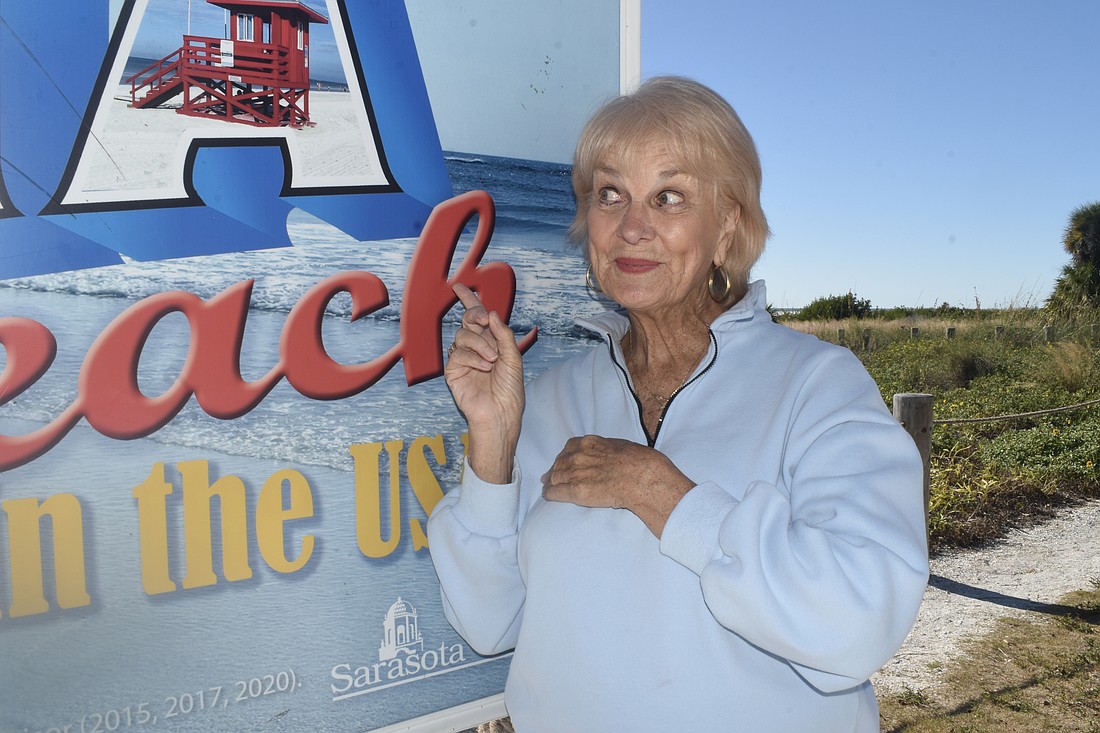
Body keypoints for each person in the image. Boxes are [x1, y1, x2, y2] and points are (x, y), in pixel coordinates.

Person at [428, 76, 928, 732]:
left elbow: (861, 619)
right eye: (611, 194)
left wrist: (663, 494)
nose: (632, 226)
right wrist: (492, 443)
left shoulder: (816, 384)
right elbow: (488, 622)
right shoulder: (551, 400)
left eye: (669, 197)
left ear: (727, 228)